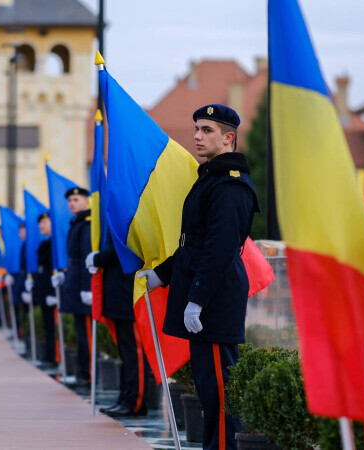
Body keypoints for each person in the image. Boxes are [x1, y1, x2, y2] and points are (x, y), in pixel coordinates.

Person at [138, 104, 259, 450]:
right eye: (196, 129)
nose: (197, 136)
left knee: (220, 391)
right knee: (209, 389)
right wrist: (162, 275)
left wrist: (198, 299)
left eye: (207, 130)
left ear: (228, 137)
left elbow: (220, 250)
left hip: (215, 300)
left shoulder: (230, 186)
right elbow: (194, 244)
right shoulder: (211, 180)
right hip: (205, 295)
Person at [87, 234, 147, 417]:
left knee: (133, 350)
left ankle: (136, 400)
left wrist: (98, 258)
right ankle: (126, 396)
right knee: (124, 350)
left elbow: (124, 247)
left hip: (127, 292)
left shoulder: (125, 208)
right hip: (116, 292)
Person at [52, 187, 93, 388]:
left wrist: (88, 288)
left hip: (83, 287)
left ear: (86, 201)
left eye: (76, 199)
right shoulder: (76, 223)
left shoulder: (87, 224)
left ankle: (88, 375)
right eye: (70, 200)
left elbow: (86, 257)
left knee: (86, 334)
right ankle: (82, 373)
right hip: (75, 284)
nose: (72, 203)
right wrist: (64, 275)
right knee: (80, 332)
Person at [23, 212, 58, 368]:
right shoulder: (45, 243)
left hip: (53, 292)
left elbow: (56, 268)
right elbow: (42, 269)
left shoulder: (56, 243)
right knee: (47, 326)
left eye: (45, 222)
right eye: (41, 223)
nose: (41, 226)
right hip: (44, 291)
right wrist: (33, 283)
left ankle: (54, 357)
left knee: (53, 326)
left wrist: (53, 293)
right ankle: (48, 357)